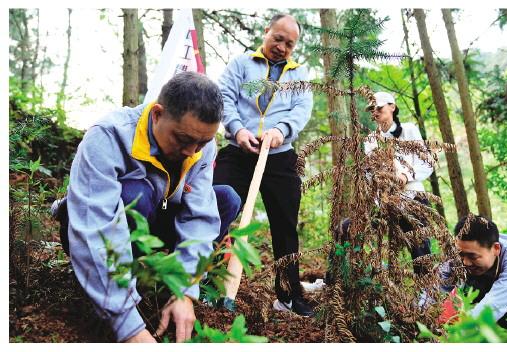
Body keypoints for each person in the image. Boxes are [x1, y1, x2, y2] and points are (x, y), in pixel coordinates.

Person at [52, 72, 241, 342]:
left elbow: (199, 218)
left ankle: (163, 286)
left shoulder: (199, 145)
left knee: (225, 199)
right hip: (94, 229)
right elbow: (95, 227)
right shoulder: (108, 137)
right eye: (182, 139)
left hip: (156, 221)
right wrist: (129, 329)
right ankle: (120, 291)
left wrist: (185, 290)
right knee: (136, 193)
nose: (192, 151)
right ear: (157, 115)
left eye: (203, 142)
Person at [214, 13, 314, 317]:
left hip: (280, 158)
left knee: (285, 227)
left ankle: (288, 296)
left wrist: (280, 131)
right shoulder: (241, 64)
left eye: (289, 44)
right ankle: (203, 281)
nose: (282, 47)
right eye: (278, 38)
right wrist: (238, 129)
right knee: (216, 211)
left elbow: (301, 110)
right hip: (237, 152)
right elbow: (224, 97)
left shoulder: (299, 76)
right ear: (266, 31)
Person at [363, 91, 434, 274]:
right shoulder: (370, 140)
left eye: (379, 108)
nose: (375, 112)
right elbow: (369, 173)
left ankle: (425, 293)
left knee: (419, 246)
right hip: (384, 201)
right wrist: (382, 185)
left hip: (413, 196)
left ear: (392, 107)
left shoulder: (409, 129)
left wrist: (405, 176)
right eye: (372, 109)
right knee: (356, 233)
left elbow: (426, 162)